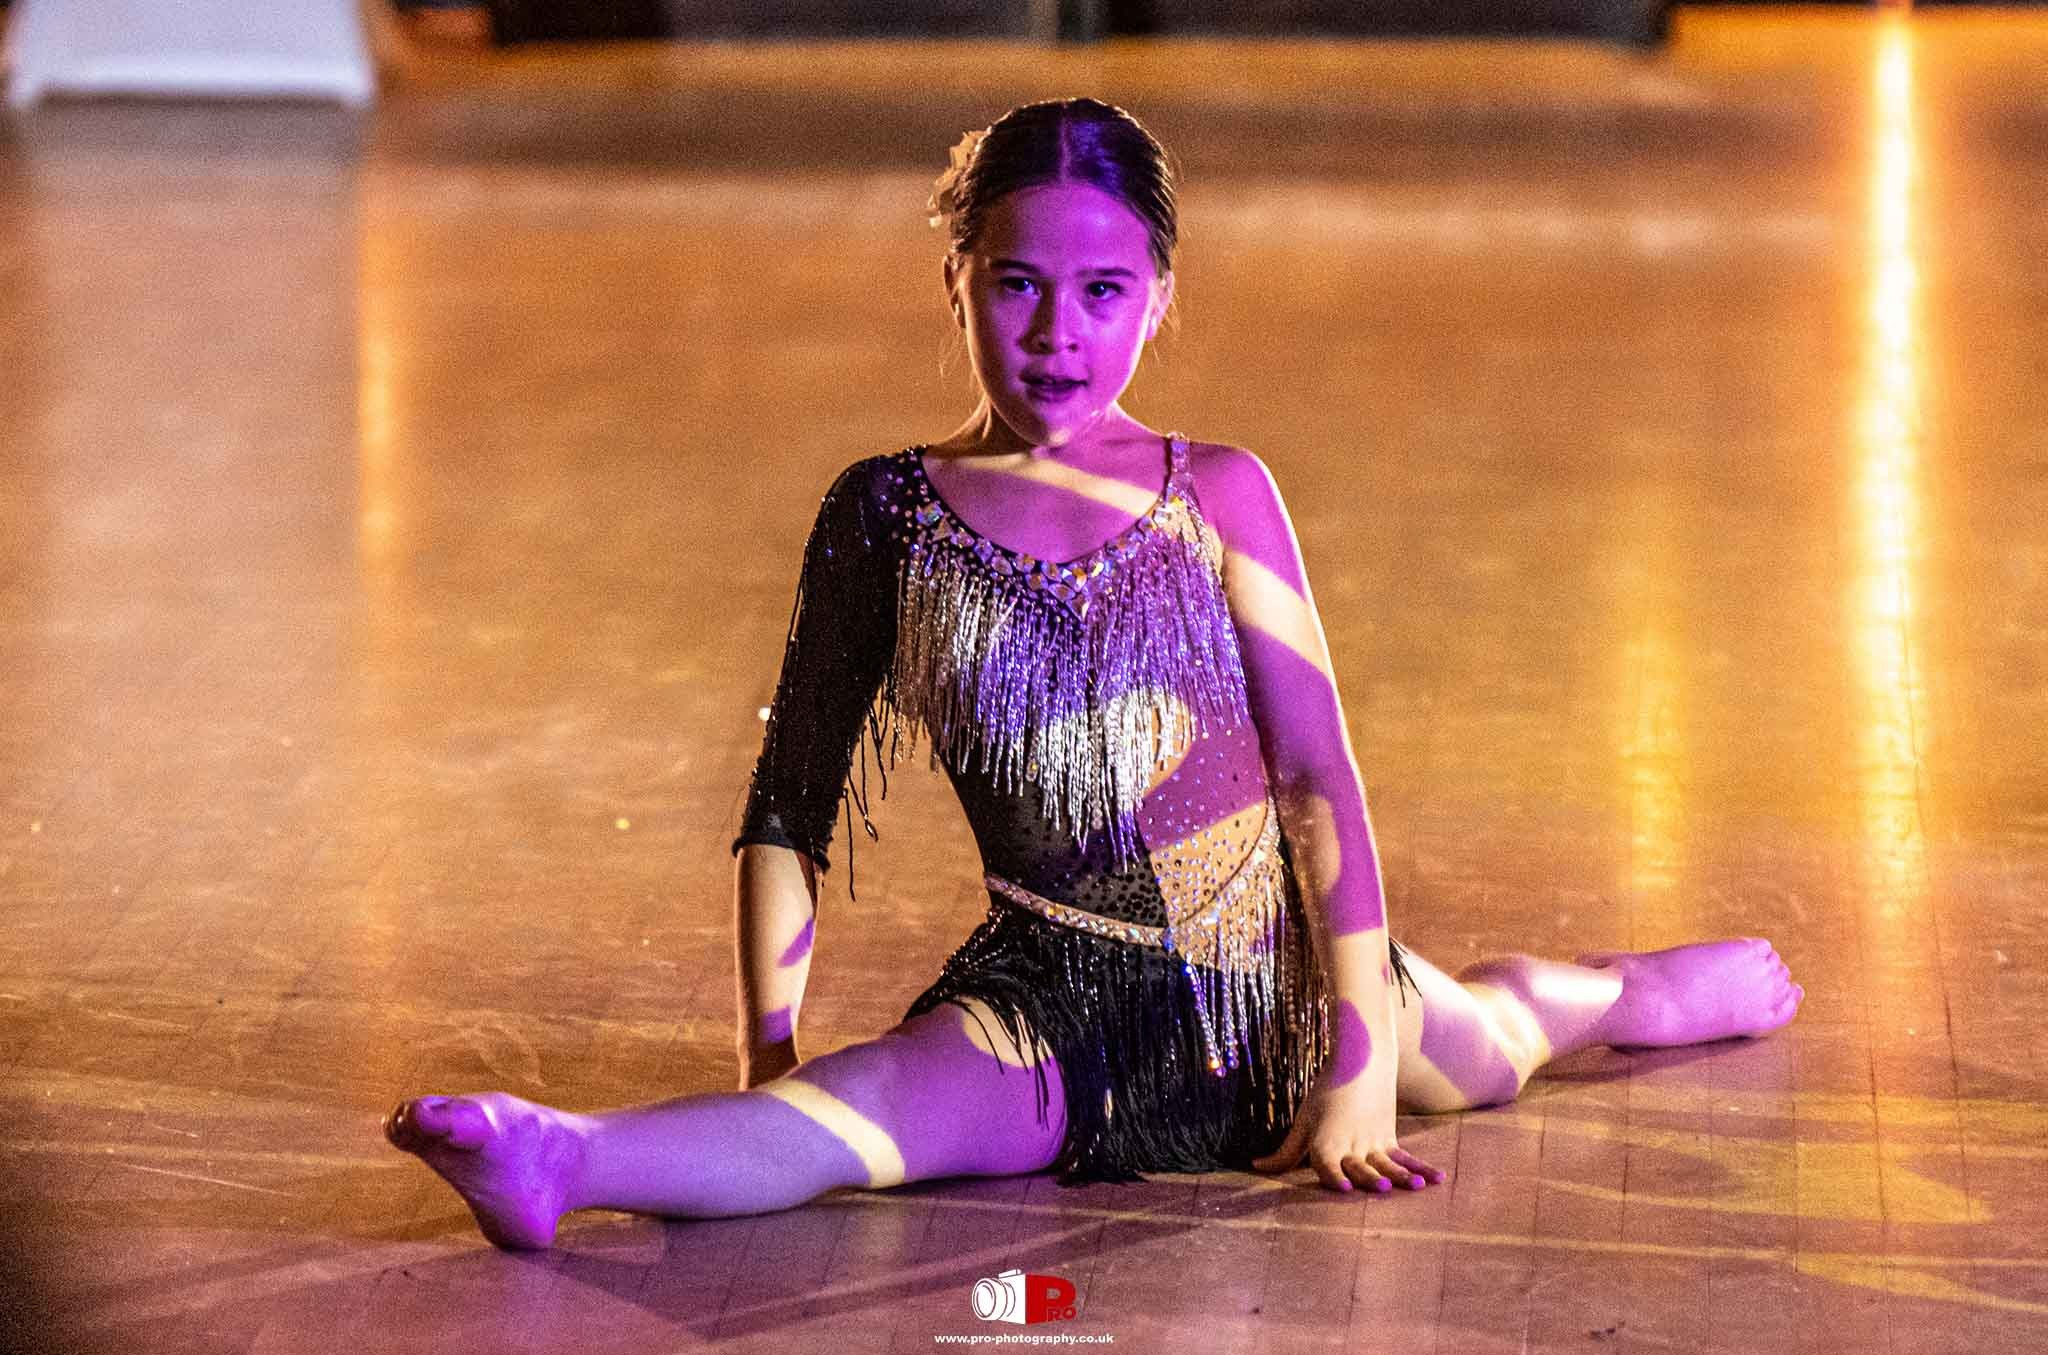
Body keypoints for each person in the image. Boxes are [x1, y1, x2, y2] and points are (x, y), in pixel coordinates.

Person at [384, 98, 1803, 1251]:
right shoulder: (887, 510)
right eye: (1018, 284)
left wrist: (1362, 1060)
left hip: (1276, 981)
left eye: (1103, 290)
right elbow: (787, 811)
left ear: (1160, 297)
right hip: (1047, 1003)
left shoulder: (1224, 494)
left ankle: (1643, 991)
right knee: (860, 1117)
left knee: (1501, 1028)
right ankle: (561, 1156)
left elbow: (1317, 782)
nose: (1059, 332)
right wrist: (772, 1063)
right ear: (959, 278)